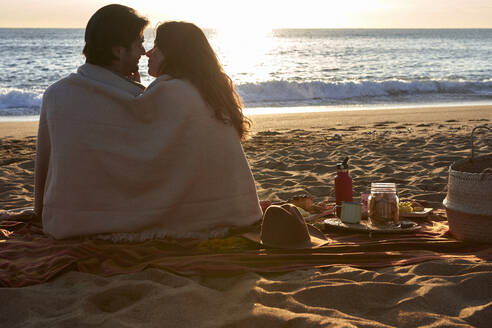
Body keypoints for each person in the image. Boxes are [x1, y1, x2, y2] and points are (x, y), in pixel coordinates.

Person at [35, 11, 262, 239]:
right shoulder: (182, 93)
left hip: (68, 218)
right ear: (118, 50)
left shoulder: (57, 95)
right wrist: (134, 91)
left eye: (152, 46)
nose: (144, 53)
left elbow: (46, 167)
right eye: (140, 43)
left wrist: (40, 211)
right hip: (226, 207)